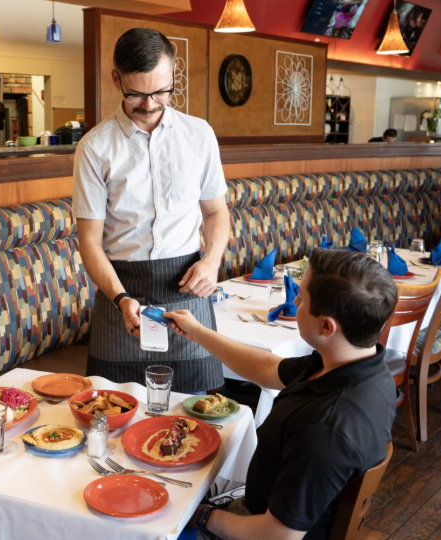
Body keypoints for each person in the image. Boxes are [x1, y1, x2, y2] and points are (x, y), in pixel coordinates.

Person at [165, 249, 397, 539]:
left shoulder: (324, 428)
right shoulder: (362, 365)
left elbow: (278, 535)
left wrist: (205, 516)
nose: (295, 301)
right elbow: (268, 368)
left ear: (327, 326)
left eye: (301, 297)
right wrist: (198, 332)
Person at [73, 28, 230, 393]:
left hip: (187, 286)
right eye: (136, 94)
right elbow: (90, 243)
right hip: (121, 295)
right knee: (113, 410)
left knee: (197, 415)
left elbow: (216, 212)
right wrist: (121, 298)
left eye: (160, 91)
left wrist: (211, 261)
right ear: (116, 79)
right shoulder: (95, 148)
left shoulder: (199, 135)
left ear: (174, 74)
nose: (149, 104)